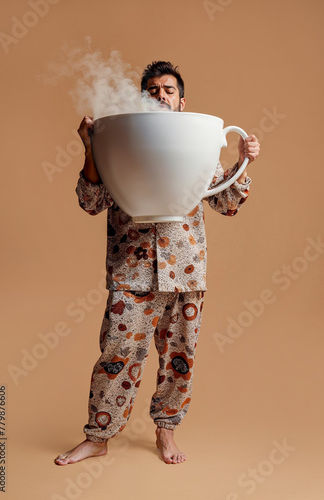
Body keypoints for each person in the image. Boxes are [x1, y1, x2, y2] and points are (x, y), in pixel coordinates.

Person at [54, 61, 260, 466]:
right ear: (140, 99)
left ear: (182, 102)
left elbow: (227, 203)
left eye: (168, 89)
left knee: (179, 357)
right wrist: (91, 147)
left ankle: (166, 432)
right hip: (131, 272)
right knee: (117, 355)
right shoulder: (120, 144)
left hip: (186, 272)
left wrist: (242, 161)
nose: (160, 94)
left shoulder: (199, 148)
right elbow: (91, 203)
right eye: (151, 89)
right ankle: (99, 436)